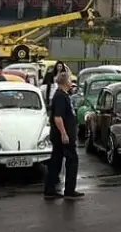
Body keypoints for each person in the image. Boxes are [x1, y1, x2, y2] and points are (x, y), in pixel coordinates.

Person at [44, 71, 82, 200]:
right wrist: (64, 133)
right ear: (65, 82)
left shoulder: (64, 95)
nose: (71, 82)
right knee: (71, 160)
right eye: (70, 80)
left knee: (56, 161)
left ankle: (50, 189)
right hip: (63, 136)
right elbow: (58, 117)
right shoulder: (60, 96)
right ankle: (69, 190)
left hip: (62, 135)